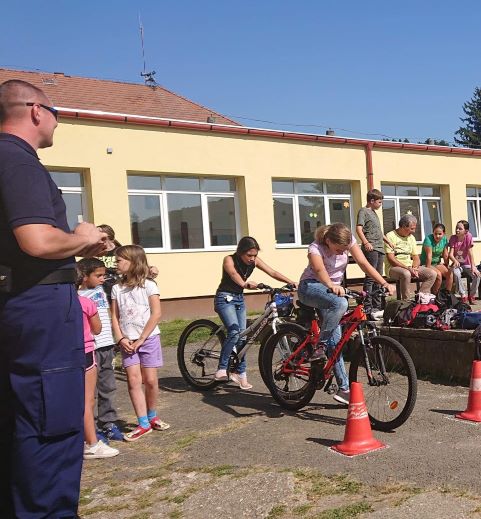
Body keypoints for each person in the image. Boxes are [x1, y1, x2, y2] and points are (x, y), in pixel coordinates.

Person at [0, 79, 108, 517]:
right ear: (35, 110)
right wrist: (81, 237)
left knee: (17, 424)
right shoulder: (17, 160)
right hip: (40, 309)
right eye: (56, 111)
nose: (58, 121)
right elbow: (38, 241)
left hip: (16, 305)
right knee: (51, 426)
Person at [298, 223, 395, 405]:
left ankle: (343, 390)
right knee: (341, 303)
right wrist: (332, 286)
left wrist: (384, 283)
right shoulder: (315, 248)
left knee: (338, 342)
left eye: (345, 250)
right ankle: (320, 347)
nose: (342, 253)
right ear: (328, 241)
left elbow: (364, 264)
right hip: (311, 287)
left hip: (332, 292)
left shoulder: (348, 240)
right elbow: (319, 271)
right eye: (338, 249)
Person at [214, 236, 296, 389]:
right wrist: (245, 284)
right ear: (240, 252)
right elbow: (233, 275)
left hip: (238, 299)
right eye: (249, 255)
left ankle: (240, 373)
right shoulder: (229, 260)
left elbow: (272, 272)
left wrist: (291, 282)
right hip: (224, 299)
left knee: (243, 336)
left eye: (255, 255)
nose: (252, 259)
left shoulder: (255, 261)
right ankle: (221, 369)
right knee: (234, 332)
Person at [111, 245, 170, 441]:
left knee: (151, 381)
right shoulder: (116, 288)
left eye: (119, 260)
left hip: (149, 339)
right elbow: (114, 316)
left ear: (133, 261)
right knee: (134, 381)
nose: (115, 263)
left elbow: (156, 313)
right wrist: (120, 338)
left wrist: (142, 338)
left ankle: (152, 416)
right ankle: (143, 423)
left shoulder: (149, 285)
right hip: (127, 342)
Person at [77, 258, 124, 443]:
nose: (102, 278)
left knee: (108, 387)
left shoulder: (103, 289)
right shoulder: (79, 296)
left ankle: (109, 423)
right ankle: (91, 429)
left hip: (107, 346)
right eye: (98, 275)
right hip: (92, 348)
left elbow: (125, 276)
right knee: (91, 392)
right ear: (84, 276)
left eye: (104, 275)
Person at [78, 292, 119, 460]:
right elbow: (97, 328)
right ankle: (92, 443)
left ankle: (89, 436)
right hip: (86, 351)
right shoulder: (85, 302)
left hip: (64, 354)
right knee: (88, 400)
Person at [356, 188, 395, 319]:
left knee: (378, 277)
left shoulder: (374, 213)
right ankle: (367, 306)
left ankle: (377, 306)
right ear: (371, 201)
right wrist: (366, 242)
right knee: (370, 277)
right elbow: (359, 228)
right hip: (371, 248)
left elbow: (379, 231)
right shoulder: (363, 211)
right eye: (379, 202)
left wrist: (388, 241)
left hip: (380, 248)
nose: (380, 204)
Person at [384, 214, 437, 300]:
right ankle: (407, 302)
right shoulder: (390, 236)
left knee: (432, 274)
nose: (414, 231)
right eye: (412, 228)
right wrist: (408, 268)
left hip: (409, 267)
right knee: (406, 274)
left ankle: (420, 297)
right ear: (404, 226)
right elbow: (391, 260)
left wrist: (415, 268)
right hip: (393, 268)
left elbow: (415, 257)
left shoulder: (411, 238)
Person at [448, 220, 480, 304]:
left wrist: (473, 266)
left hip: (467, 264)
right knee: (456, 273)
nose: (457, 230)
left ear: (466, 231)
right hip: (457, 264)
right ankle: (463, 295)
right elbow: (450, 254)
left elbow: (470, 253)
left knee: (477, 275)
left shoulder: (468, 236)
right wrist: (455, 261)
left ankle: (472, 295)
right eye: (456, 228)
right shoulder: (453, 238)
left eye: (460, 228)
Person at [420, 223, 452, 295]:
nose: (437, 236)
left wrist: (447, 265)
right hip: (426, 264)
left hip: (436, 263)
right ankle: (435, 296)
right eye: (435, 234)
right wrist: (428, 270)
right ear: (433, 233)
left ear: (444, 233)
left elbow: (445, 255)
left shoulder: (444, 239)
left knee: (450, 273)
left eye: (440, 234)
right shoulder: (428, 239)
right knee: (438, 275)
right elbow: (429, 256)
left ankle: (448, 295)